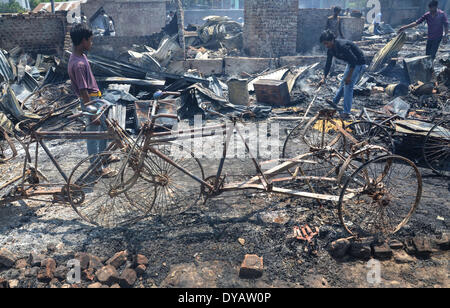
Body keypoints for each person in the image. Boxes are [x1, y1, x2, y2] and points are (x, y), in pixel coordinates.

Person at [68, 23, 114, 176]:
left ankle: (104, 157)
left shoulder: (80, 56)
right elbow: (83, 91)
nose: (91, 43)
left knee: (103, 130)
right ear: (83, 40)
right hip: (90, 102)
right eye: (90, 40)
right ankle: (96, 168)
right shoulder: (78, 64)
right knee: (93, 135)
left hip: (96, 99)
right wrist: (92, 112)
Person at [318, 30, 367, 119]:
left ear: (332, 40)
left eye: (327, 43)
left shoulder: (343, 46)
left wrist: (349, 77)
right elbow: (328, 64)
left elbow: (354, 61)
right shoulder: (330, 50)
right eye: (324, 44)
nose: (326, 46)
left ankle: (346, 112)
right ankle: (334, 103)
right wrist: (323, 77)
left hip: (358, 63)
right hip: (351, 64)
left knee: (348, 86)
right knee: (342, 84)